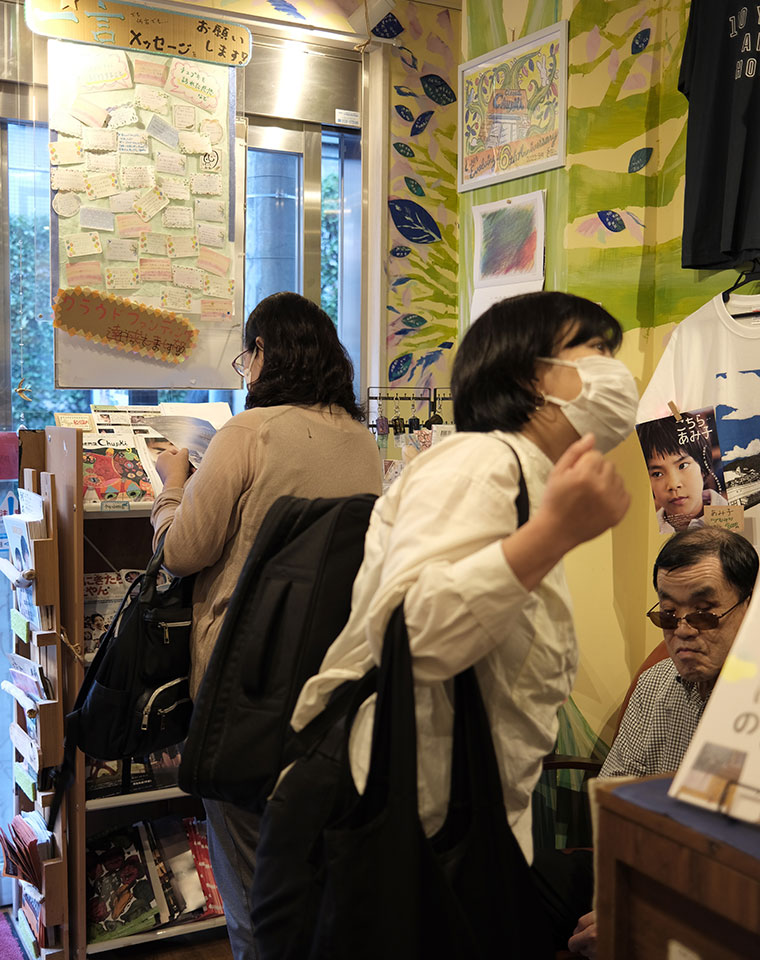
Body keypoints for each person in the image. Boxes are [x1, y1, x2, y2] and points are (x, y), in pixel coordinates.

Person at [250, 290, 639, 958]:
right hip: (393, 826)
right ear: (530, 375)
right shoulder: (480, 462)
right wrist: (552, 534)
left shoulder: (524, 477)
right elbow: (415, 631)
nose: (615, 371)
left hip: (442, 827)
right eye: (594, 350)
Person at [150, 291, 382, 960]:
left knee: (252, 887)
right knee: (308, 873)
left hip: (245, 682)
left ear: (261, 355)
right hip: (333, 684)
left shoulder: (247, 433)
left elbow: (182, 551)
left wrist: (171, 485)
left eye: (244, 357)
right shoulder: (360, 440)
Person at [565, 526, 758, 958]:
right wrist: (620, 892)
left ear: (749, 608)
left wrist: (636, 912)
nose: (683, 631)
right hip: (641, 864)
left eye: (704, 613)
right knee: (502, 882)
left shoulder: (750, 704)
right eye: (668, 615)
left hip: (723, 893)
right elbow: (614, 798)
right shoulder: (656, 683)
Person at [636, 414, 727, 534]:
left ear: (702, 466)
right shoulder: (647, 532)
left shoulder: (735, 513)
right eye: (657, 474)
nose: (673, 484)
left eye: (683, 466)